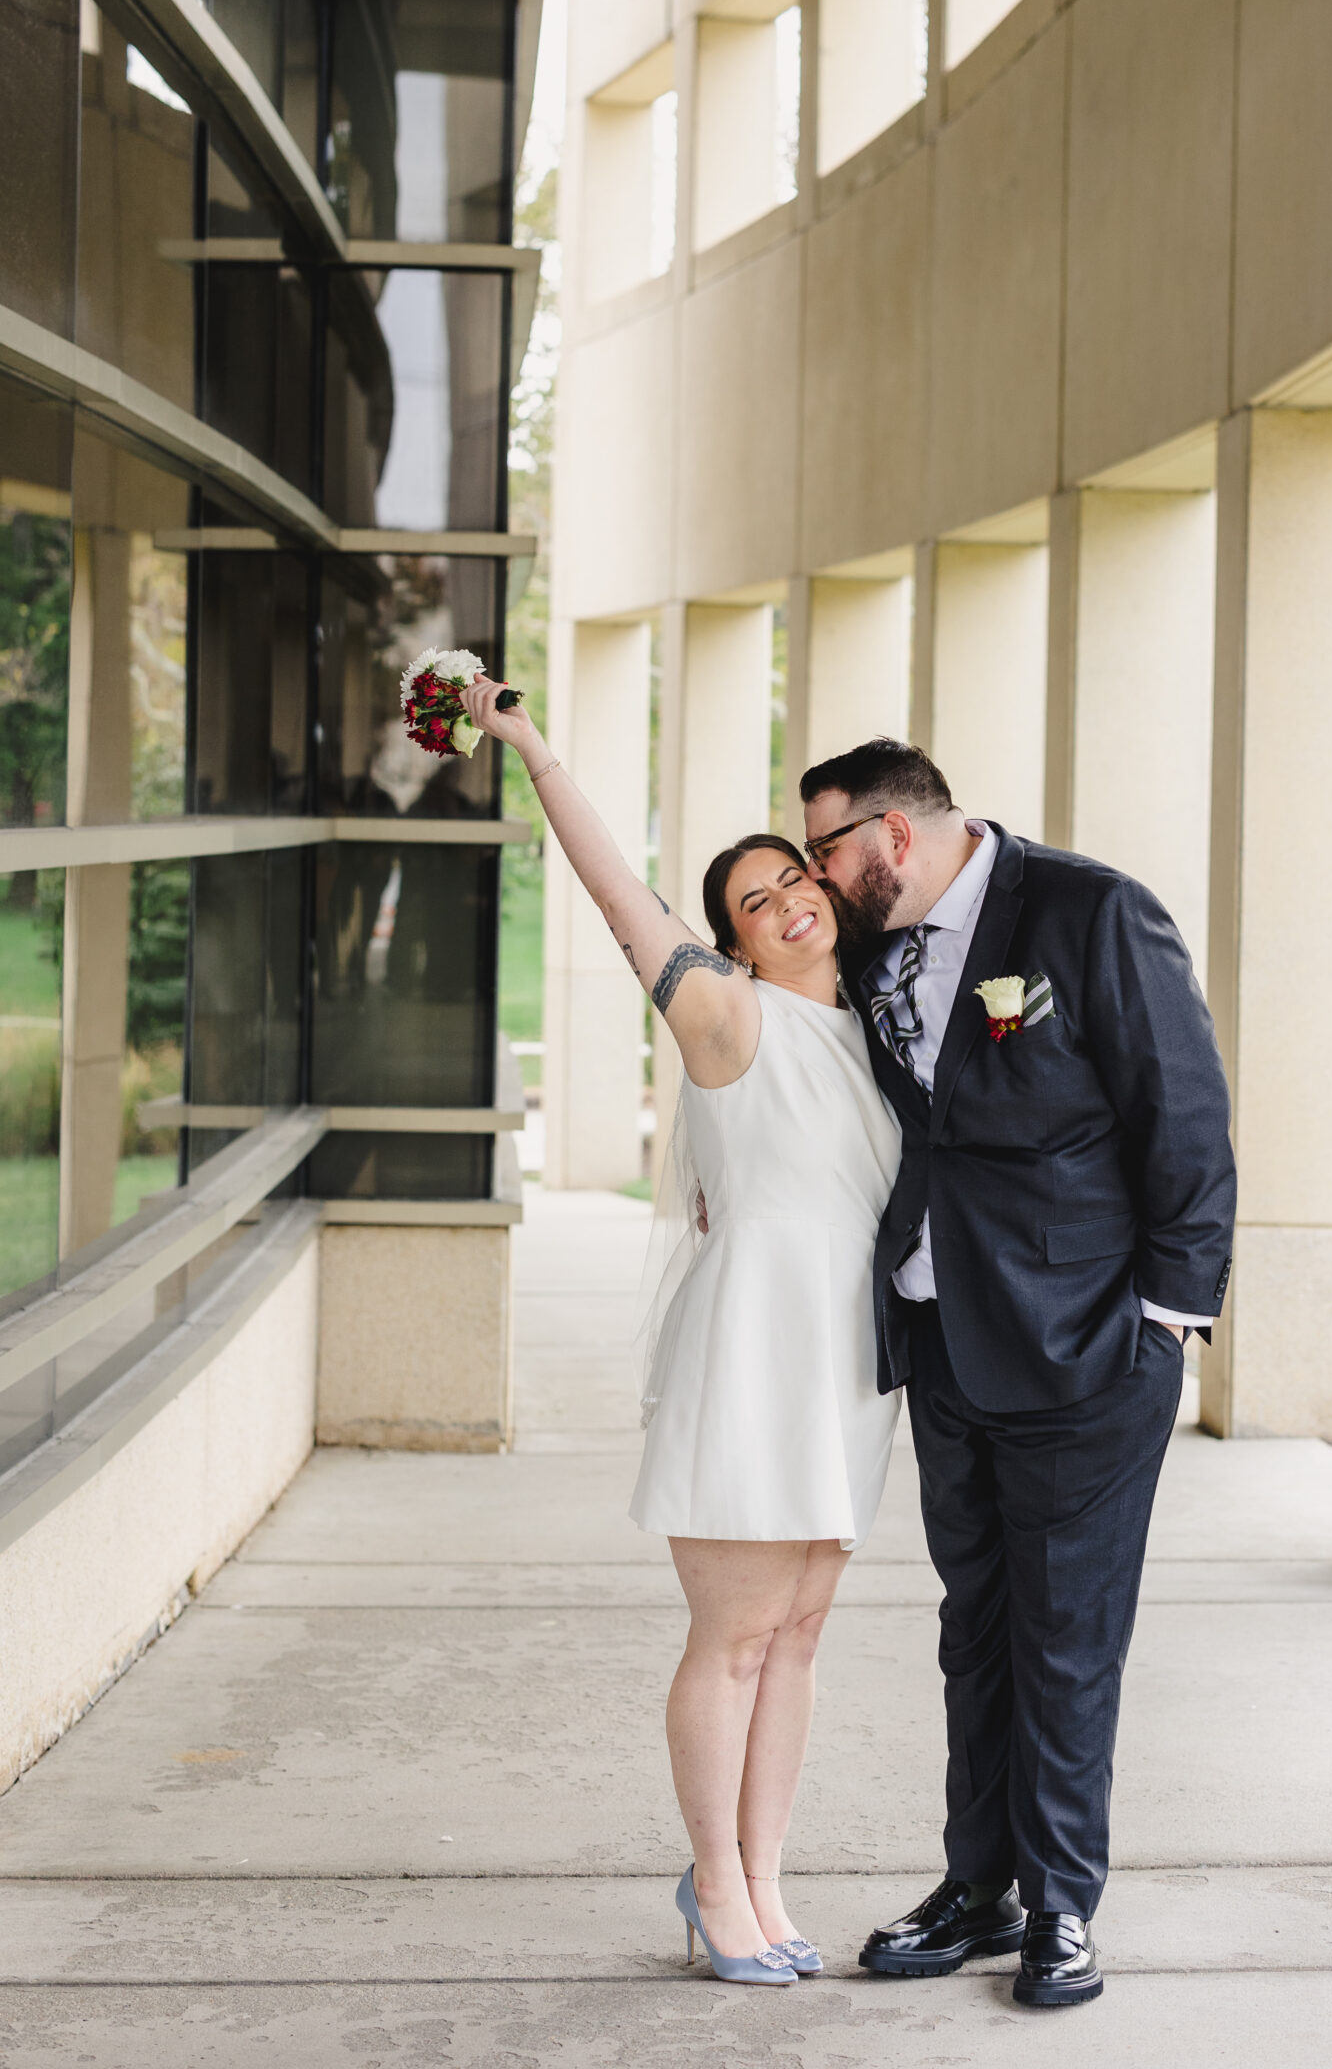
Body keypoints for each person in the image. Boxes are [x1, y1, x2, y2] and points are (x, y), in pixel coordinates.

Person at [462, 676, 903, 1990]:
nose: (783, 905)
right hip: (750, 1358)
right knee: (733, 1635)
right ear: (734, 943)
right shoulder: (727, 1016)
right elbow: (617, 896)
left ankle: (764, 1874)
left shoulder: (881, 1029)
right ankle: (715, 1887)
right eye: (750, 905)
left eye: (792, 881)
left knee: (803, 1632)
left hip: (848, 1366)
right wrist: (533, 749)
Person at [799, 739, 1236, 2010]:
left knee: (1067, 1635)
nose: (820, 878)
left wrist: (1165, 1322)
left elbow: (1186, 1116)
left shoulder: (1092, 911)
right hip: (944, 1342)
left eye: (827, 849)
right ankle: (977, 1887)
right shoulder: (878, 945)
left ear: (890, 834)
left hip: (1089, 1346)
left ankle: (1063, 1907)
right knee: (975, 1630)